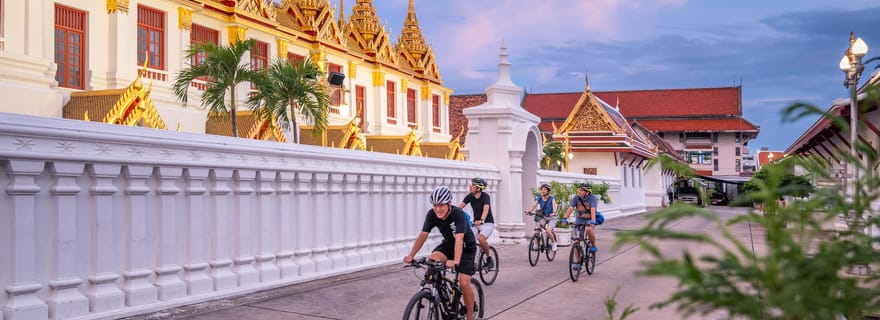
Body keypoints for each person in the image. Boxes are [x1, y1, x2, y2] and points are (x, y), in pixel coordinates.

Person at [404, 186, 479, 320]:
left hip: (466, 248)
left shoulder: (458, 214)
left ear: (449, 203)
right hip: (448, 245)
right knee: (432, 262)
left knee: (464, 282)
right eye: (435, 205)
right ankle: (440, 294)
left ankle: (470, 316)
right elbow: (423, 234)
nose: (438, 209)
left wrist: (456, 261)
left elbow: (459, 239)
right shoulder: (432, 214)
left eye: (441, 205)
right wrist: (411, 255)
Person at [459, 177, 495, 270]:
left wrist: (482, 220)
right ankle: (471, 261)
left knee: (481, 238)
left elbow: (486, 209)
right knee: (468, 240)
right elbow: (459, 208)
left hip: (487, 223)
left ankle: (489, 258)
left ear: (478, 188)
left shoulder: (485, 197)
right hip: (475, 224)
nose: (470, 186)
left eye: (473, 185)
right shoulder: (469, 196)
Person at [564, 183, 599, 270]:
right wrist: (565, 218)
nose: (579, 191)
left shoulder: (592, 198)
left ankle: (593, 245)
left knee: (588, 229)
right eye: (579, 189)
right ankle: (578, 261)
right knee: (576, 241)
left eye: (581, 190)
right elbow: (571, 208)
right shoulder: (576, 198)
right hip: (579, 221)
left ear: (587, 192)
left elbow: (593, 210)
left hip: (589, 220)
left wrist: (592, 221)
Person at [525, 183, 558, 251]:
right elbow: (534, 205)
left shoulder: (551, 198)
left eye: (544, 189)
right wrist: (529, 211)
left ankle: (554, 243)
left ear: (548, 191)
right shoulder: (539, 198)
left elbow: (555, 206)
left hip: (551, 217)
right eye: (541, 189)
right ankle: (536, 244)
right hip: (543, 216)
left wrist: (554, 212)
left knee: (548, 231)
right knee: (537, 230)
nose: (542, 191)